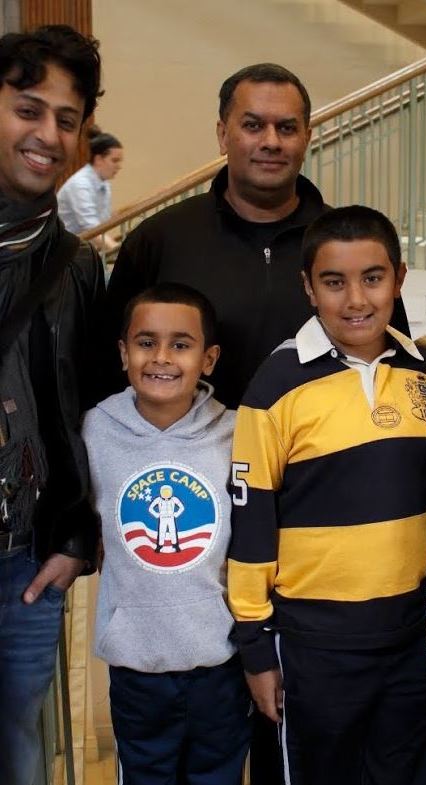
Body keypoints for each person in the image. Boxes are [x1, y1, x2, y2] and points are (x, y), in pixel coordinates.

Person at [228, 205, 426, 785]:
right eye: (333, 281)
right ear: (307, 287)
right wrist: (255, 645)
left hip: (412, 639)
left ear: (398, 278)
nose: (356, 299)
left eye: (372, 278)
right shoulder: (275, 387)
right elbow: (250, 522)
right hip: (312, 646)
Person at [102, 63, 411, 411]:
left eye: (287, 128)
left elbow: (394, 362)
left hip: (324, 459)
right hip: (192, 459)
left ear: (306, 138)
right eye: (253, 126)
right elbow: (110, 371)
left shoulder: (348, 247)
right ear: (222, 135)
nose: (271, 141)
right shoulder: (159, 240)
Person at [83, 282, 251, 785]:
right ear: (123, 352)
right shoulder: (95, 430)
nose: (161, 357)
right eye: (145, 342)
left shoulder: (239, 433)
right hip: (135, 663)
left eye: (181, 344)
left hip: (220, 661)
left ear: (209, 358)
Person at [0, 25, 105, 785]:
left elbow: (90, 410)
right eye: (28, 109)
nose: (47, 135)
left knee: (20, 747)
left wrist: (75, 535)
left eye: (66, 120)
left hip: (25, 565)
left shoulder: (75, 267)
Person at [57, 126, 123, 251]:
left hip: (82, 249)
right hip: (61, 252)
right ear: (98, 159)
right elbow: (91, 227)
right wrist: (117, 250)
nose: (119, 166)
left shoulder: (104, 183)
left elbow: (101, 223)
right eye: (115, 160)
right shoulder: (80, 184)